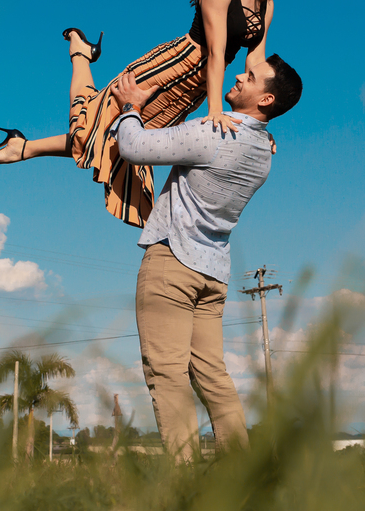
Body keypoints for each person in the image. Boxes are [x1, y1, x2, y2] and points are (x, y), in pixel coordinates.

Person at [0, 0, 283, 227]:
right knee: (100, 130)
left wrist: (257, 124)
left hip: (193, 87)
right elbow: (217, 51)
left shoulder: (266, 1)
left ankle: (28, 137)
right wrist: (215, 110)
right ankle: (75, 65)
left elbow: (255, 62)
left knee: (115, 140)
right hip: (172, 67)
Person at [108, 54, 302, 460]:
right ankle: (239, 476)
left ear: (265, 99)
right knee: (213, 377)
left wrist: (130, 107)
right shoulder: (264, 152)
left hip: (173, 265)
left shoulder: (213, 133)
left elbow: (133, 147)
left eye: (249, 78)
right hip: (212, 275)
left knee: (167, 373)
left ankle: (183, 482)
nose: (237, 76)